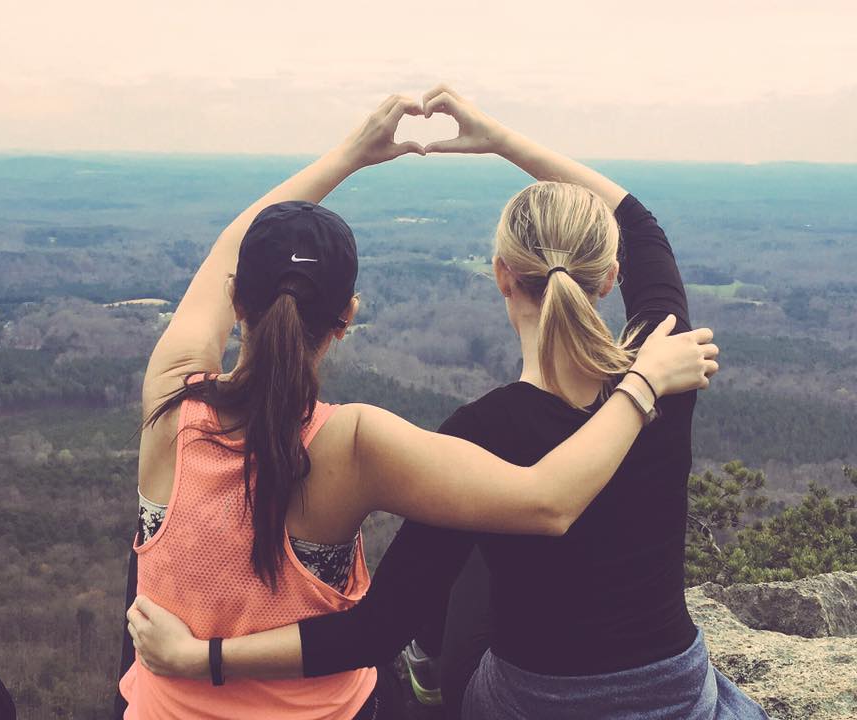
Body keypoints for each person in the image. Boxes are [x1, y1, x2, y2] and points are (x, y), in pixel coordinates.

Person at [119, 90, 721, 720]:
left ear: (502, 276)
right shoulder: (666, 361)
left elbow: (381, 626)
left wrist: (350, 154)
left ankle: (430, 675)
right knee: (483, 520)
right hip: (677, 691)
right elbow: (640, 225)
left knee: (477, 543)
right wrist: (499, 139)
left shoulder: (172, 398)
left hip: (531, 702)